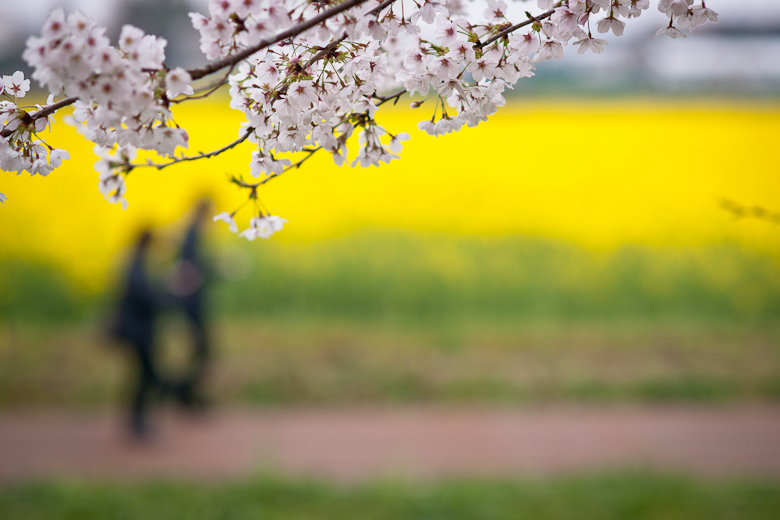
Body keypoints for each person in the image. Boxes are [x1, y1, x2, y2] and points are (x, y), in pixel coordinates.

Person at [110, 229, 171, 439]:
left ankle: (137, 419)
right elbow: (144, 297)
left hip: (138, 332)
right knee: (146, 376)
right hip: (138, 333)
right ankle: (136, 421)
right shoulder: (136, 266)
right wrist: (169, 291)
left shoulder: (133, 262)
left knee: (144, 376)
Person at [170, 199, 213, 408]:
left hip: (191, 302)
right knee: (200, 350)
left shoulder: (189, 233)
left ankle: (186, 395)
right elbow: (190, 267)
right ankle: (184, 395)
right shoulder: (192, 234)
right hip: (192, 303)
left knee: (199, 350)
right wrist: (216, 270)